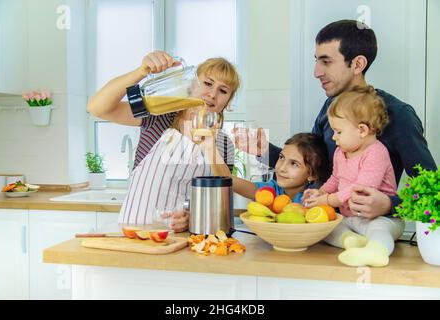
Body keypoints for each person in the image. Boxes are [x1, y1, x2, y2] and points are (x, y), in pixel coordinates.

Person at [235, 19, 437, 218]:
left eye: (326, 61)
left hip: (371, 230)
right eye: (316, 60)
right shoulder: (330, 108)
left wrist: (389, 205)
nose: (316, 72)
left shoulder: (399, 114)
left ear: (358, 64)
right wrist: (264, 150)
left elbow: (433, 193)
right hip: (325, 226)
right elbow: (312, 166)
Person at [87, 51, 240, 232]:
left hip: (181, 242)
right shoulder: (158, 116)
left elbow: (219, 202)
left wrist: (191, 218)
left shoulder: (223, 144)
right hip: (133, 234)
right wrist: (141, 71)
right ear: (191, 84)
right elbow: (97, 108)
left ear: (228, 101)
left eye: (223, 91)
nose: (213, 94)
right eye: (207, 83)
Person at [303, 86, 404, 267]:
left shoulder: (376, 153)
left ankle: (377, 252)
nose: (334, 137)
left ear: (362, 130)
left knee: (380, 230)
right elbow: (336, 178)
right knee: (330, 227)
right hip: (352, 219)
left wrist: (327, 200)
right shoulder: (341, 152)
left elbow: (359, 188)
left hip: (382, 218)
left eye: (338, 131)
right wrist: (320, 192)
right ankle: (352, 242)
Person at [200, 132, 329, 204]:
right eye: (281, 157)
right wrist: (211, 148)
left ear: (312, 175)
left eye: (294, 163)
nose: (282, 168)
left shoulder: (314, 198)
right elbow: (229, 180)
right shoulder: (270, 190)